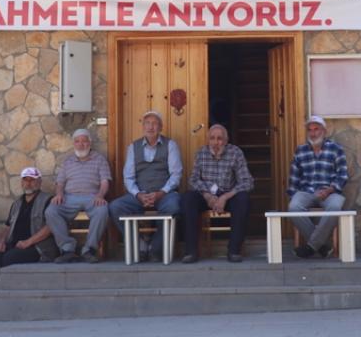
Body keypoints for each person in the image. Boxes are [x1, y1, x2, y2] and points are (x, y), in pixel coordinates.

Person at [109, 110, 184, 262]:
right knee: (115, 207)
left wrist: (161, 192)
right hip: (140, 194)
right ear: (143, 126)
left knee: (174, 206)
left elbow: (176, 175)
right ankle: (141, 245)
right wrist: (138, 194)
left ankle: (155, 248)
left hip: (164, 194)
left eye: (155, 124)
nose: (151, 127)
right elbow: (128, 177)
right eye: (147, 123)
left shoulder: (170, 145)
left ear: (161, 127)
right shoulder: (133, 147)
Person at [0, 167, 57, 306]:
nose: (28, 183)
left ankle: (8, 302)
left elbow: (50, 227)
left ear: (39, 182)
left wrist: (28, 242)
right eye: (25, 180)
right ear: (21, 183)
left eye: (32, 180)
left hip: (39, 247)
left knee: (10, 258)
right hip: (16, 244)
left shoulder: (48, 200)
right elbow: (7, 226)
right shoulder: (17, 203)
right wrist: (1, 241)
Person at [181, 123, 254, 263]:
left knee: (243, 199)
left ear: (226, 141)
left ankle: (234, 250)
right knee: (188, 198)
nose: (216, 143)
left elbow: (247, 181)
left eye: (220, 139)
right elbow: (193, 180)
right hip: (206, 196)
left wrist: (225, 197)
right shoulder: (201, 153)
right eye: (212, 138)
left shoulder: (235, 153)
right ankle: (191, 252)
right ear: (208, 140)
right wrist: (207, 195)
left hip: (228, 195)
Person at [44, 128, 112, 263]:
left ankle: (89, 249)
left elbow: (105, 182)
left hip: (92, 196)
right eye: (77, 141)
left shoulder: (100, 159)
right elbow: (60, 183)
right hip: (69, 197)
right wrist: (59, 194)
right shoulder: (67, 161)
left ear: (90, 143)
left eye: (84, 141)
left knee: (103, 210)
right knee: (51, 211)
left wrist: (100, 195)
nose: (81, 144)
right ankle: (67, 248)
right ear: (74, 144)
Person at [287, 115, 350, 259]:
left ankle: (311, 247)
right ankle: (321, 246)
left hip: (329, 191)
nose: (313, 133)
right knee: (293, 208)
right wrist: (294, 196)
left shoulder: (336, 149)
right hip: (306, 190)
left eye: (316, 129)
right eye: (310, 130)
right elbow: (294, 177)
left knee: (335, 207)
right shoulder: (300, 150)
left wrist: (329, 189)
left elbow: (343, 175)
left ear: (324, 131)